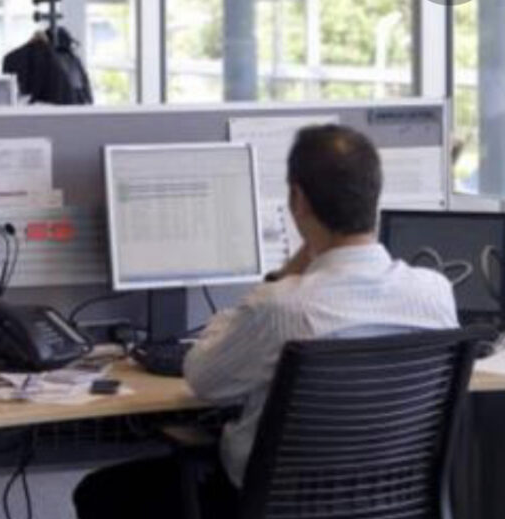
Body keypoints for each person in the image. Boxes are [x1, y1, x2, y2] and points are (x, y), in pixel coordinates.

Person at [73, 124, 459, 519]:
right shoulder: (434, 294)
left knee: (101, 493)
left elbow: (203, 379)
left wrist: (282, 277)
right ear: (375, 194)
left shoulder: (281, 306)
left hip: (273, 504)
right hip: (392, 501)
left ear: (298, 199)